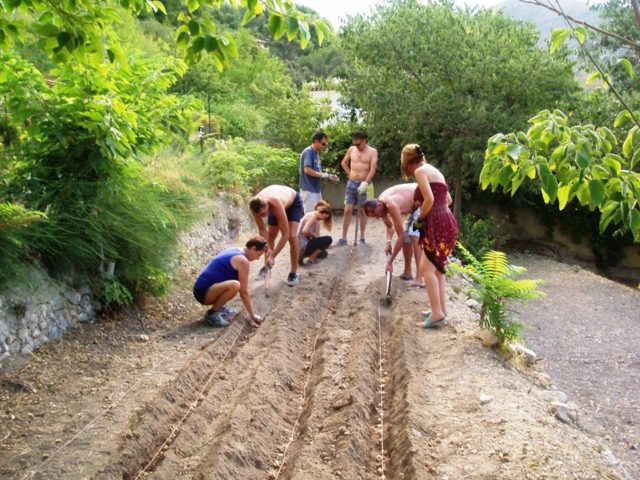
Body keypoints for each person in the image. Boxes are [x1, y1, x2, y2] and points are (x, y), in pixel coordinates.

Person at [401, 144, 458, 328]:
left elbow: (429, 200)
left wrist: (422, 219)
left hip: (438, 222)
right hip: (447, 220)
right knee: (436, 269)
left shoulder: (420, 171)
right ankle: (440, 310)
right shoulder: (433, 170)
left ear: (409, 163)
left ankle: (437, 314)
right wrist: (439, 215)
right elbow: (447, 200)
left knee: (426, 269)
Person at [193, 236, 267, 328]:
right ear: (253, 248)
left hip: (203, 288)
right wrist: (252, 314)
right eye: (258, 255)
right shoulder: (242, 261)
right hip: (203, 292)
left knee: (237, 280)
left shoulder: (236, 249)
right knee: (235, 285)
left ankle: (221, 306)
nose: (258, 258)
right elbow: (243, 292)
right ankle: (212, 314)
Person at [363, 183, 424, 287]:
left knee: (414, 235)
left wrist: (390, 262)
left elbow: (400, 237)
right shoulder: (381, 206)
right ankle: (407, 272)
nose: (377, 218)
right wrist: (388, 242)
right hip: (414, 208)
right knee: (407, 236)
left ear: (379, 205)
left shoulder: (390, 205)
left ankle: (420, 278)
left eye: (376, 215)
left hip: (424, 202)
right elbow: (390, 227)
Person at [249, 185, 304, 287]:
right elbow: (262, 230)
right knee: (271, 235)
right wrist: (268, 250)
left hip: (293, 203)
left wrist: (273, 255)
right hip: (276, 204)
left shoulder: (275, 204)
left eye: (264, 213)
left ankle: (293, 274)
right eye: (260, 215)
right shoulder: (255, 206)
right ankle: (267, 266)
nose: (263, 216)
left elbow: (285, 234)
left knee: (292, 236)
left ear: (267, 206)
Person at [337, 131, 378, 246]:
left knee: (362, 211)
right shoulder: (351, 149)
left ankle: (362, 237)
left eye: (358, 144)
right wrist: (350, 174)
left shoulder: (372, 152)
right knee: (347, 210)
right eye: (355, 144)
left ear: (364, 141)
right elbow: (344, 163)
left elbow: (372, 169)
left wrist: (365, 183)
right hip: (352, 184)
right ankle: (343, 238)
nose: (357, 146)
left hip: (364, 185)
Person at [299, 131, 339, 213]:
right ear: (316, 141)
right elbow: (307, 170)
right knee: (310, 217)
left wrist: (328, 177)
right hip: (308, 190)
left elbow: (316, 172)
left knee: (318, 216)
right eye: (323, 144)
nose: (324, 146)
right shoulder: (308, 152)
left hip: (316, 189)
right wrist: (324, 175)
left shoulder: (316, 153)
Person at [297, 200, 333, 266]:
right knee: (328, 239)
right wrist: (313, 235)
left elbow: (316, 236)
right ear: (322, 213)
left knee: (324, 253)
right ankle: (310, 259)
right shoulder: (313, 217)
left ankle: (302, 256)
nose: (323, 219)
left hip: (300, 246)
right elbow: (305, 231)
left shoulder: (312, 216)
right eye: (324, 217)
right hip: (302, 246)